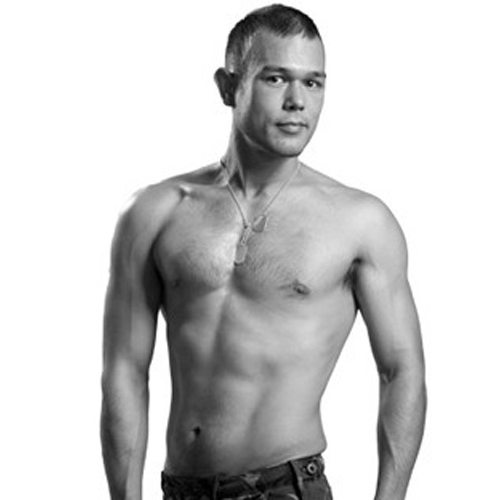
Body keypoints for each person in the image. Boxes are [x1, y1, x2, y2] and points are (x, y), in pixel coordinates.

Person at [101, 4, 427, 500]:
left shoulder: (360, 222)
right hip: (180, 489)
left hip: (286, 488)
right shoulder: (154, 212)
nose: (297, 101)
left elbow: (401, 369)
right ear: (228, 87)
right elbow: (125, 370)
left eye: (313, 83)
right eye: (276, 79)